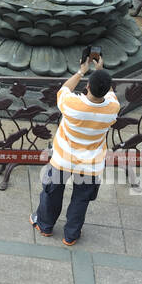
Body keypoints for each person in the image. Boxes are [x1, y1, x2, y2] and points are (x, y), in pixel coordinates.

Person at [30, 56, 120, 246]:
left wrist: (81, 71)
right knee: (81, 200)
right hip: (91, 164)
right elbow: (109, 93)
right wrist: (100, 72)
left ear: (87, 87)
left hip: (63, 159)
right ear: (107, 89)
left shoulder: (72, 105)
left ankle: (45, 226)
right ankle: (70, 235)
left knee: (52, 192)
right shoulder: (113, 109)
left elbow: (65, 89)